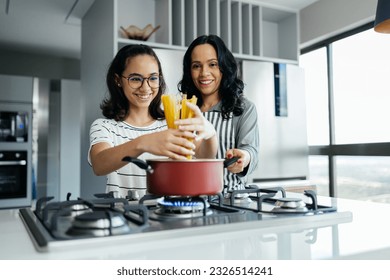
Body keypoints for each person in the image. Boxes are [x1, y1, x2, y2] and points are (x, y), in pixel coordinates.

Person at [88, 44, 217, 199]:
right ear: (118, 80)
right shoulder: (105, 127)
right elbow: (99, 165)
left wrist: (211, 134)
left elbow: (204, 156)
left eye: (153, 78)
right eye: (135, 79)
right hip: (123, 217)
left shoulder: (172, 123)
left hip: (167, 216)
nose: (145, 87)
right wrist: (143, 143)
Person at [178, 35, 259, 196]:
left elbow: (250, 149)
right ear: (189, 71)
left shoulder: (243, 108)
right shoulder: (183, 109)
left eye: (212, 64)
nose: (204, 73)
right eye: (196, 66)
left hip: (230, 200)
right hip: (189, 199)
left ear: (224, 67)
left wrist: (244, 157)